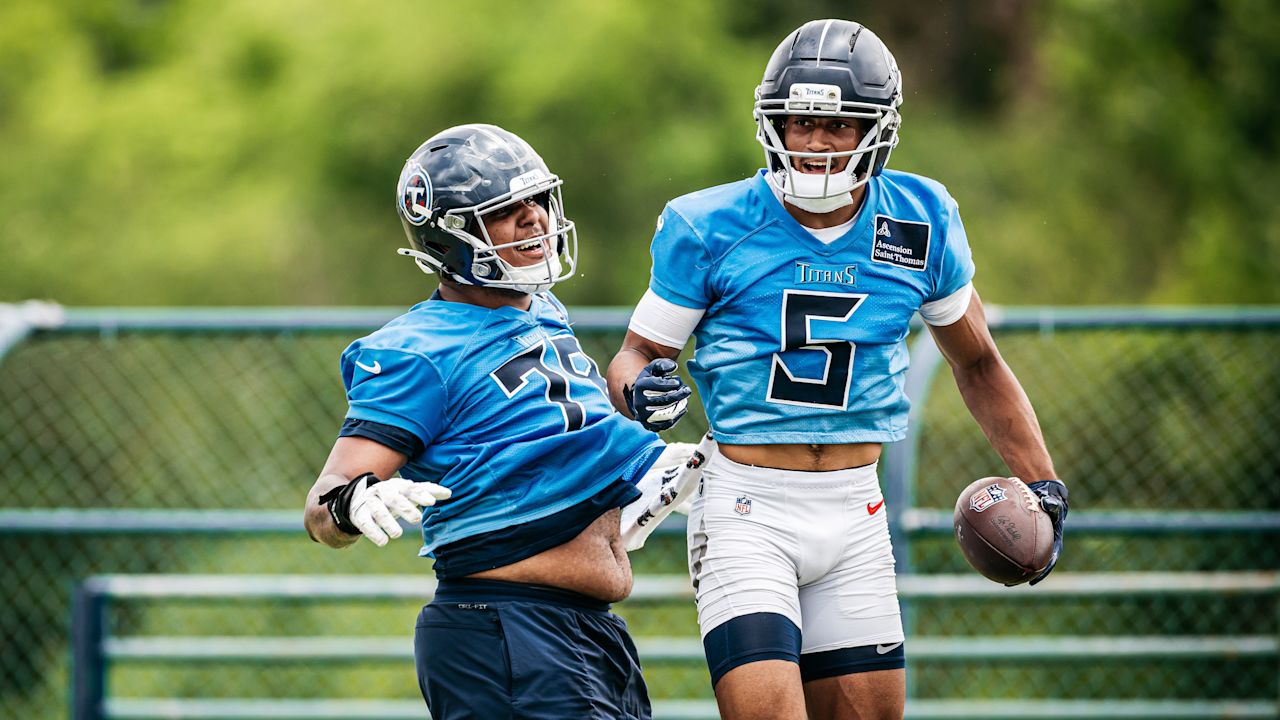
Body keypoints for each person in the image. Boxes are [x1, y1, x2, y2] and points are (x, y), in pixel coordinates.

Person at [606, 19, 1069, 720]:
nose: (817, 143)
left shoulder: (920, 216)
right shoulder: (710, 224)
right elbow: (637, 354)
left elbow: (976, 360)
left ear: (876, 129)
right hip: (745, 506)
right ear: (773, 124)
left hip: (856, 505)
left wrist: (1042, 481)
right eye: (800, 123)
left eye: (838, 124)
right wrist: (642, 387)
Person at [303, 123, 701, 720]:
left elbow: (544, 432)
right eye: (506, 210)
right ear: (452, 236)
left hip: (584, 629)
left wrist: (638, 419)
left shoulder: (542, 311)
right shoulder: (418, 348)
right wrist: (352, 504)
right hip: (505, 626)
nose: (535, 219)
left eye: (538, 200)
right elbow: (322, 508)